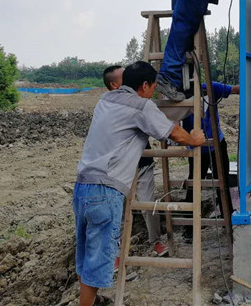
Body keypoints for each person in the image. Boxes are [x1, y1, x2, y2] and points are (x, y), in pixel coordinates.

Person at [73, 61, 205, 306]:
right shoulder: (141, 106)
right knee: (97, 260)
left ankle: (90, 300)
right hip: (105, 191)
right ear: (144, 85)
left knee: (86, 255)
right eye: (153, 88)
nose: (153, 93)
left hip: (82, 187)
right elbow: (174, 133)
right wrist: (194, 138)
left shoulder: (106, 99)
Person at [103, 65, 168, 257]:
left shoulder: (139, 103)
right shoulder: (108, 106)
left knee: (148, 203)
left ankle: (156, 241)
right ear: (114, 85)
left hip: (142, 164)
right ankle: (116, 253)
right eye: (124, 77)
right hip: (119, 167)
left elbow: (159, 126)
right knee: (117, 208)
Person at [182, 81, 239, 240]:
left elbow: (235, 89)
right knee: (194, 184)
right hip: (197, 148)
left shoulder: (211, 87)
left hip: (216, 144)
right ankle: (189, 226)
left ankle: (227, 218)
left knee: (223, 181)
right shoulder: (182, 93)